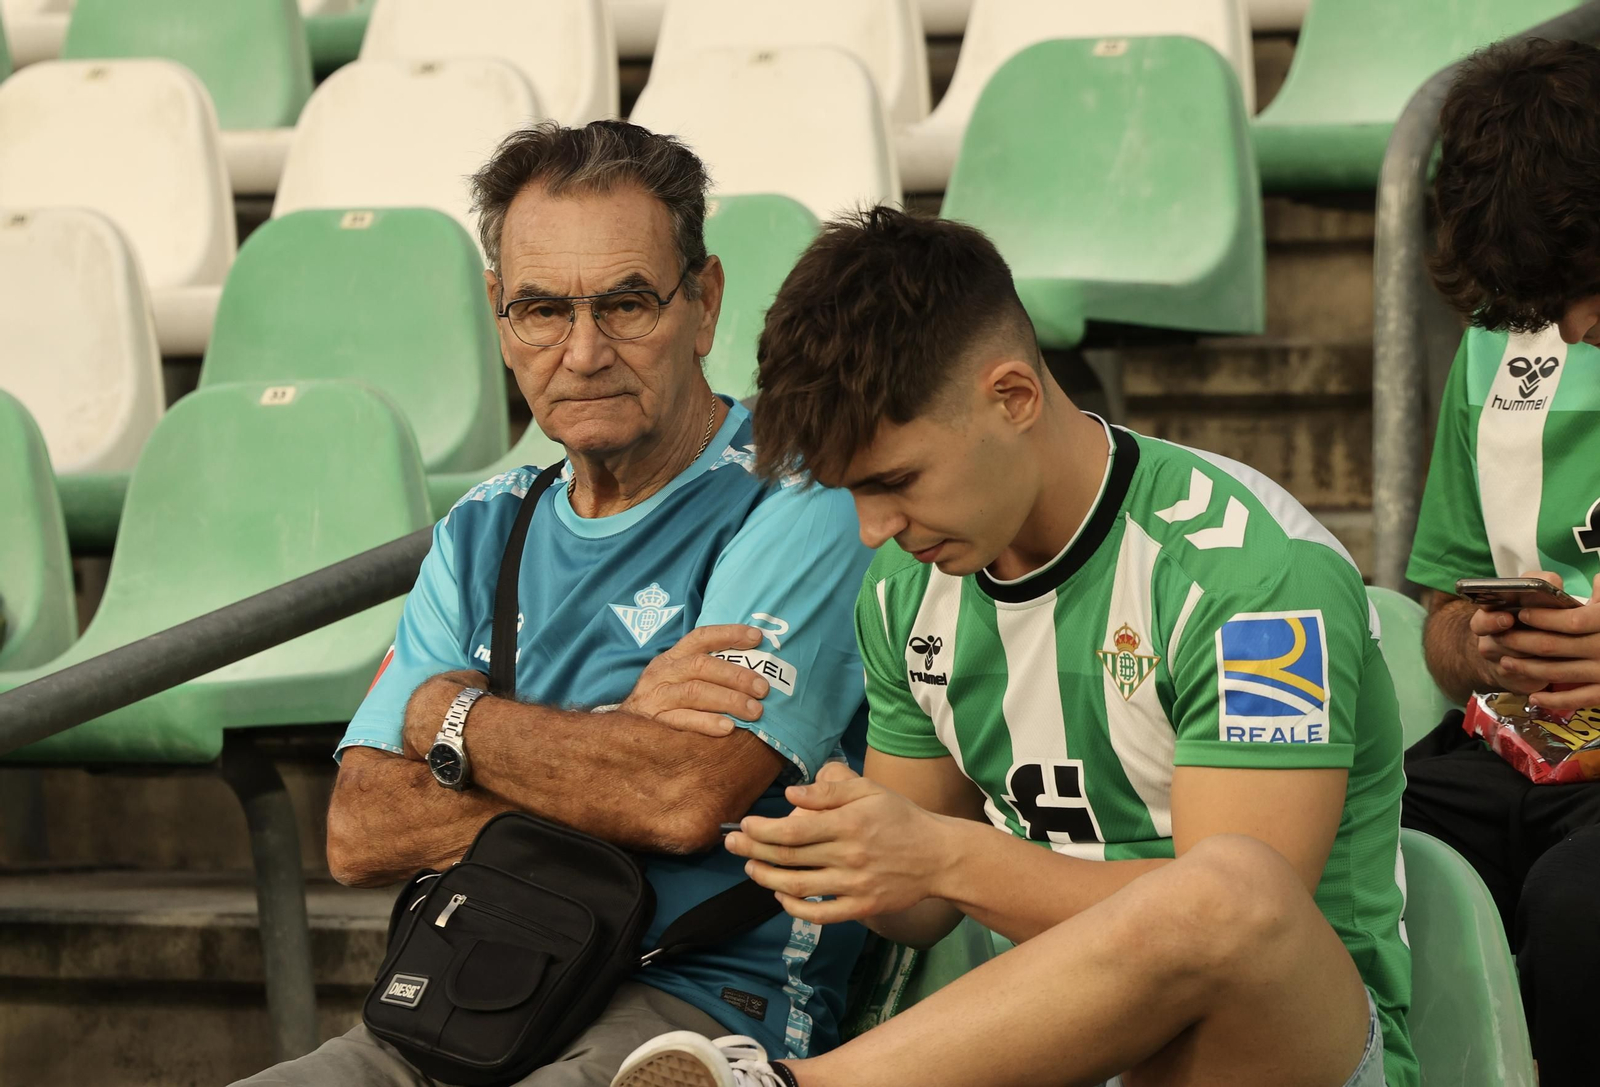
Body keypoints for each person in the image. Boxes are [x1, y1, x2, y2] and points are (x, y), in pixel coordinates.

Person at [608, 208, 1417, 1087]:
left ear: (1014, 397)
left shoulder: (1257, 580)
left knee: (1234, 887)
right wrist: (849, 850)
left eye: (896, 480)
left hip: (1288, 1058)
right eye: (849, 493)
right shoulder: (905, 589)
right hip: (1050, 1058)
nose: (873, 529)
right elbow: (917, 912)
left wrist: (945, 854)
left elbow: (1240, 930)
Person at [232, 121, 872, 1086]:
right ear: (500, 318)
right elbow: (362, 828)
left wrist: (450, 718)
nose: (583, 352)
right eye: (540, 310)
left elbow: (681, 794)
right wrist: (619, 737)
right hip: (470, 993)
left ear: (704, 303)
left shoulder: (797, 496)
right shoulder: (481, 527)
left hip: (698, 1007)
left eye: (626, 303)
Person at [1397, 38, 1600, 1087]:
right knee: (1318, 845)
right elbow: (1435, 615)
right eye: (1539, 305)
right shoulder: (1499, 346)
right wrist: (1480, 644)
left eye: (1584, 288)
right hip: (1508, 749)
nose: (1570, 327)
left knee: (1580, 909)